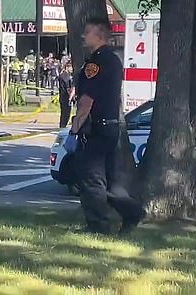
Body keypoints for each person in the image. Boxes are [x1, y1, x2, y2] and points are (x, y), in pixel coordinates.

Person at [68, 17, 145, 235]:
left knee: (91, 180)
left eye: (87, 32)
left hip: (96, 129)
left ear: (100, 35)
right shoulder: (112, 59)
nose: (83, 36)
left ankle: (98, 226)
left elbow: (87, 99)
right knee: (110, 182)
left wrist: (75, 128)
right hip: (110, 127)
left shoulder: (97, 62)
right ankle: (132, 213)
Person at [58, 63, 75, 128]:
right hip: (65, 97)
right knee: (66, 114)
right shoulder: (65, 76)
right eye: (70, 67)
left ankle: (62, 126)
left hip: (63, 97)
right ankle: (62, 126)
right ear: (67, 67)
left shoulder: (65, 75)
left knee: (64, 113)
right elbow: (68, 88)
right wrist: (71, 97)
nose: (71, 69)